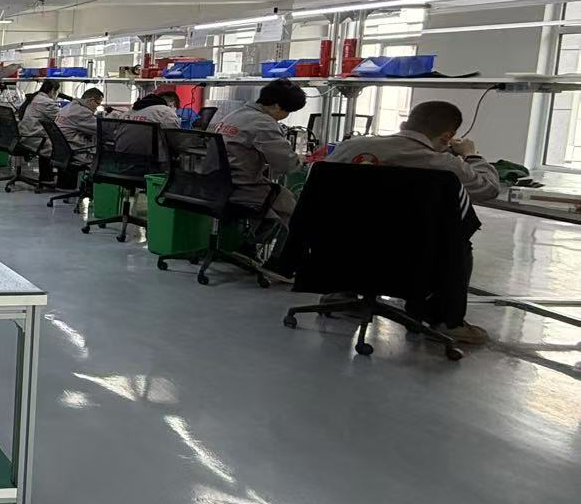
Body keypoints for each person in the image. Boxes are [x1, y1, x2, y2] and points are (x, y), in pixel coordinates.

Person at [326, 100, 500, 344]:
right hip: (413, 254)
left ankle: (341, 292)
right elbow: (489, 189)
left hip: (345, 245)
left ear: (405, 123)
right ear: (447, 137)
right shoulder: (446, 164)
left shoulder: (350, 148)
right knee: (457, 239)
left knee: (361, 224)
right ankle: (446, 320)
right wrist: (471, 154)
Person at [214, 80, 308, 222]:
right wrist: (302, 162)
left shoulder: (235, 115)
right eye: (288, 111)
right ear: (277, 106)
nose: (286, 115)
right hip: (241, 188)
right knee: (290, 206)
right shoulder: (263, 123)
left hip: (216, 184)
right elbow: (286, 165)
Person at [17, 78, 65, 150]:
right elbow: (63, 119)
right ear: (52, 90)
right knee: (64, 147)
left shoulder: (35, 97)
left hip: (25, 137)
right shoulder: (47, 102)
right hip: (36, 140)